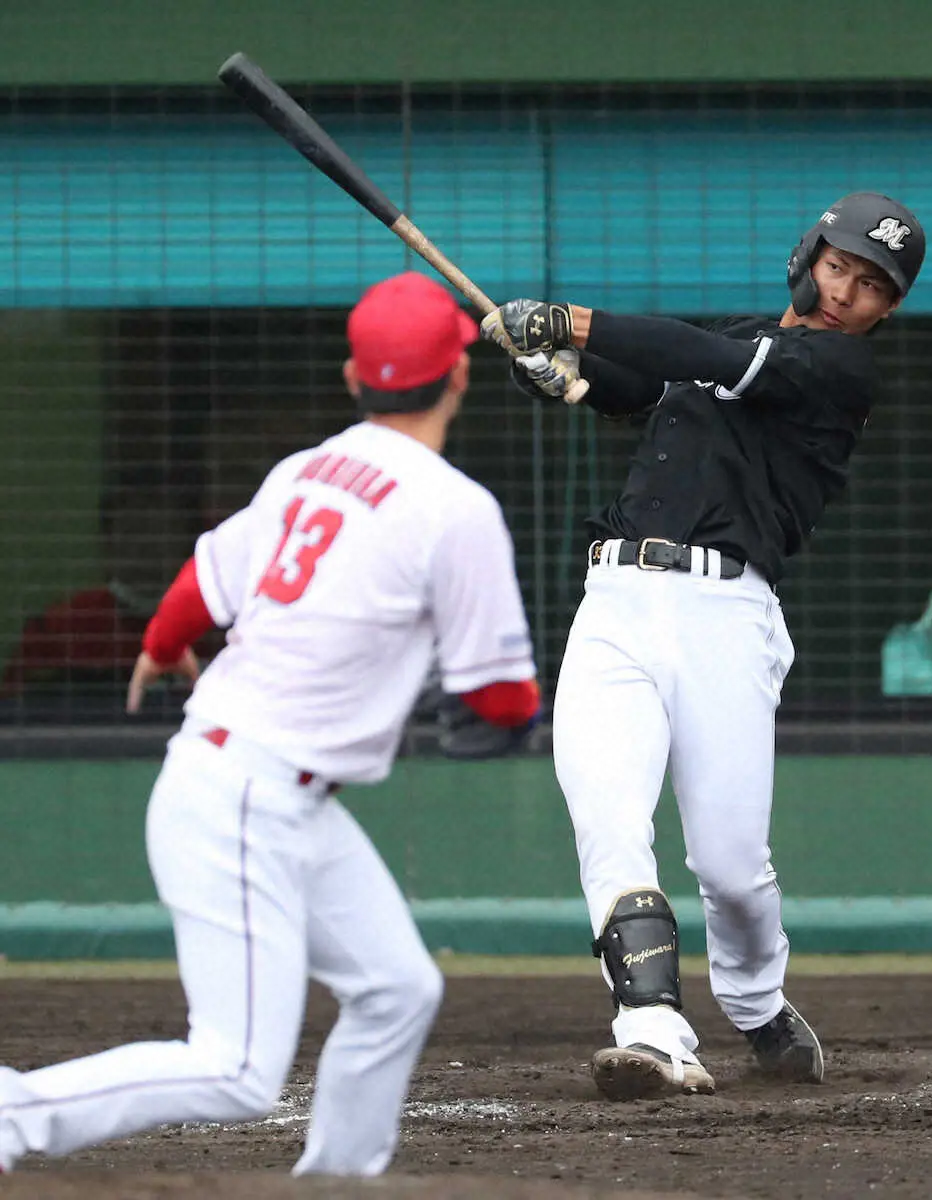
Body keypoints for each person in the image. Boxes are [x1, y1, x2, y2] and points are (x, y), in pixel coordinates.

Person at [0, 272, 540, 1174]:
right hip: (245, 796)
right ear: (459, 378)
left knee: (398, 987)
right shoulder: (457, 509)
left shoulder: (306, 469)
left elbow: (200, 586)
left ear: (351, 379)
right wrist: (501, 710)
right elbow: (504, 702)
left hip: (267, 791)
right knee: (238, 1069)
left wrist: (166, 640)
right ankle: (12, 1114)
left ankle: (338, 1180)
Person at [481, 192, 927, 1099]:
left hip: (727, 616)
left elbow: (704, 358)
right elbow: (639, 383)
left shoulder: (835, 372)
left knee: (730, 870)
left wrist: (567, 320)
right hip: (615, 599)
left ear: (888, 309)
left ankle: (758, 1004)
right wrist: (562, 368)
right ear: (809, 255)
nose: (846, 291)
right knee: (609, 822)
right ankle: (651, 1031)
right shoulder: (745, 340)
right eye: (839, 264)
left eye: (872, 285)